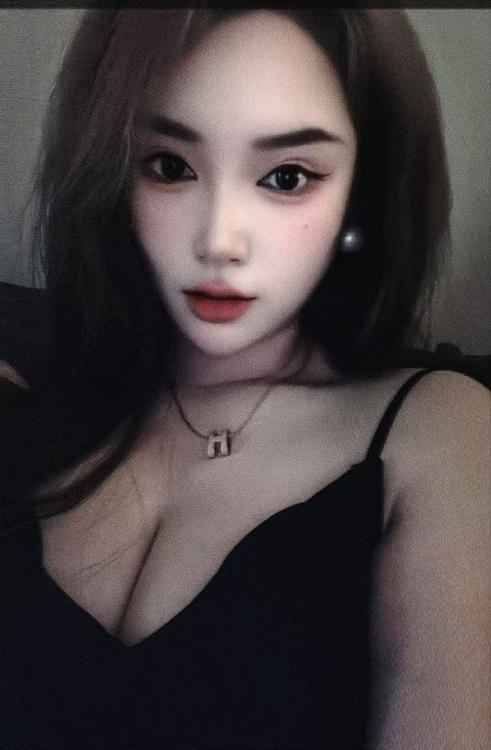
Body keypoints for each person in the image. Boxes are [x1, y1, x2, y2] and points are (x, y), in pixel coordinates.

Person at [0, 7, 489, 750]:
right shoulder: (46, 406)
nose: (218, 240)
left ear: (364, 191)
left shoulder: (436, 430)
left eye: (287, 177)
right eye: (170, 166)